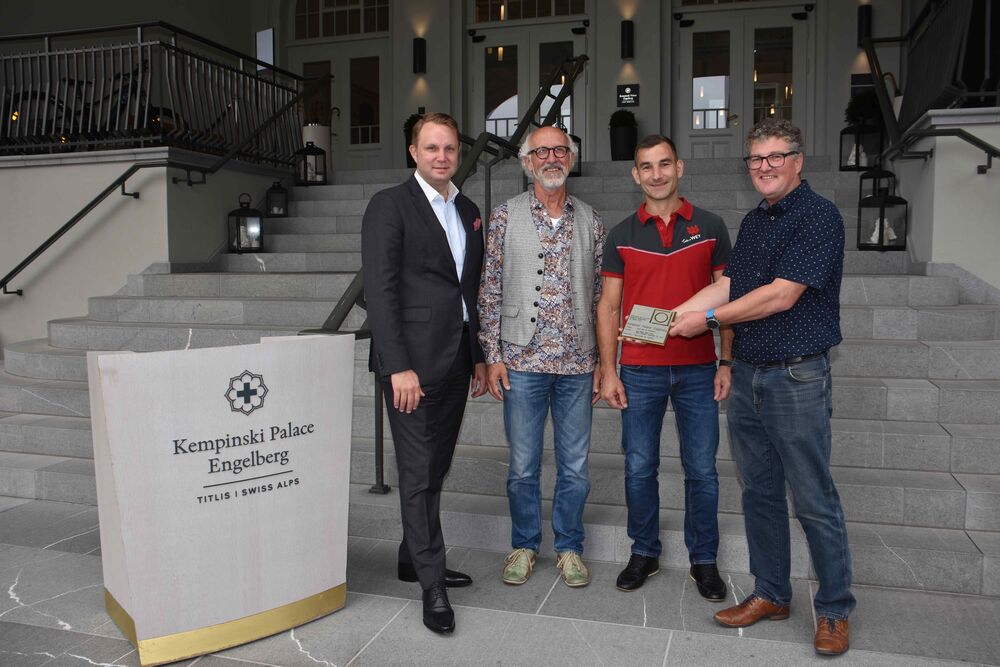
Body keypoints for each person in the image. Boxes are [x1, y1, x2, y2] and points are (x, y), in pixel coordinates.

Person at [670, 118, 854, 656]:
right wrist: (670, 316)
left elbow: (780, 295)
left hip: (796, 376)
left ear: (798, 160)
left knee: (813, 499)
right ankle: (772, 593)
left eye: (776, 156)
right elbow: (731, 285)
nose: (765, 166)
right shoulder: (754, 221)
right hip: (749, 373)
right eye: (756, 158)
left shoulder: (819, 216)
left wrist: (705, 322)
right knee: (760, 493)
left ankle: (835, 609)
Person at [361, 112, 488, 634]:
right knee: (416, 473)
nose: (442, 156)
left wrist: (477, 354)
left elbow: (469, 291)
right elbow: (380, 291)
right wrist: (398, 367)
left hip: (455, 358)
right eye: (431, 147)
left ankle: (412, 556)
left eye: (450, 148)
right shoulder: (390, 205)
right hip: (409, 366)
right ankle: (431, 584)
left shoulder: (468, 209)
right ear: (413, 152)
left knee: (436, 466)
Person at [595, 134, 732, 600]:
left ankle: (704, 559)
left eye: (664, 164)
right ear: (635, 175)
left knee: (702, 471)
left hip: (698, 369)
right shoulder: (621, 235)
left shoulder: (711, 227)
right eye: (647, 166)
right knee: (639, 468)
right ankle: (644, 552)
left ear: (680, 167)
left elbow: (729, 298)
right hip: (640, 370)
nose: (657, 174)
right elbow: (608, 307)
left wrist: (726, 361)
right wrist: (609, 370)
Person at [478, 125, 605, 588]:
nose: (552, 158)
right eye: (542, 151)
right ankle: (525, 545)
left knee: (575, 467)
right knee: (522, 466)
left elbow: (602, 297)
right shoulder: (504, 216)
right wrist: (492, 354)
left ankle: (569, 547)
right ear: (527, 162)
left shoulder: (591, 219)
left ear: (571, 158)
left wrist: (603, 362)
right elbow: (490, 288)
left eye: (560, 150)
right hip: (521, 361)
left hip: (577, 363)